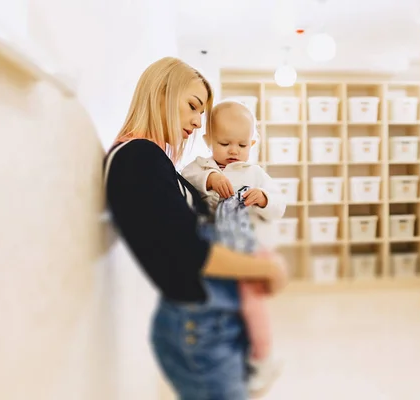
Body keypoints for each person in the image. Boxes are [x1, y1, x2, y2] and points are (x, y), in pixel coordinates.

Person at [103, 57, 288, 400]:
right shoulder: (140, 157)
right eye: (192, 106)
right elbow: (188, 251)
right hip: (198, 324)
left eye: (201, 112)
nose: (196, 121)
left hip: (206, 319)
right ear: (160, 92)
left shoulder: (150, 158)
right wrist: (266, 268)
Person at [182, 101, 286, 397]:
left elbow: (279, 205)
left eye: (242, 144)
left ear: (252, 143)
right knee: (221, 309)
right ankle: (230, 357)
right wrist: (209, 179)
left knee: (252, 305)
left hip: (250, 251)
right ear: (207, 141)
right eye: (224, 142)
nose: (233, 150)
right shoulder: (201, 167)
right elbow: (186, 178)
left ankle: (264, 358)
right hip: (218, 252)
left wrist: (264, 197)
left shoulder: (254, 173)